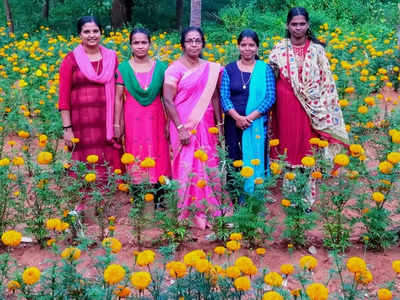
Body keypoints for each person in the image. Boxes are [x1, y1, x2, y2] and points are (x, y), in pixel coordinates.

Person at [269, 7, 349, 204]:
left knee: (307, 147)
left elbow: (327, 82)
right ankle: (291, 196)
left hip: (312, 109)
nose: (298, 28)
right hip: (285, 107)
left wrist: (323, 106)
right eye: (294, 24)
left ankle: (307, 198)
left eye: (302, 24)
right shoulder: (279, 49)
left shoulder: (317, 50)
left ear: (308, 25)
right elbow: (270, 78)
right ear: (287, 26)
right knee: (288, 147)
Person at [163, 26, 223, 229]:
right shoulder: (174, 69)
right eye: (190, 41)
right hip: (182, 124)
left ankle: (208, 210)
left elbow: (215, 98)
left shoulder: (211, 68)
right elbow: (168, 100)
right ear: (183, 44)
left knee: (207, 164)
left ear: (203, 43)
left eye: (198, 40)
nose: (194, 44)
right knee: (186, 166)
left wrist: (219, 125)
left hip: (206, 125)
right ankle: (186, 213)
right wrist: (180, 128)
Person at [58, 16, 122, 180]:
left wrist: (117, 122)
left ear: (101, 33)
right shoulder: (71, 59)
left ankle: (110, 195)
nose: (91, 35)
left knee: (108, 162)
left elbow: (118, 91)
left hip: (105, 121)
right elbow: (63, 97)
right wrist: (67, 129)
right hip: (81, 123)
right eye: (86, 31)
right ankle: (85, 198)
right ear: (80, 34)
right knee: (84, 165)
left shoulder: (111, 58)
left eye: (95, 31)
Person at [114, 28, 171, 206]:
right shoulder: (122, 68)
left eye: (143, 42)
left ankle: (159, 198)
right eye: (136, 43)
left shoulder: (161, 68)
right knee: (135, 150)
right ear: (130, 45)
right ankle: (138, 197)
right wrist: (117, 124)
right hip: (133, 118)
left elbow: (167, 98)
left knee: (158, 150)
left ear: (150, 44)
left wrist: (169, 122)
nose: (140, 46)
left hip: (156, 117)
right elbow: (118, 99)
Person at [220, 29, 276, 194]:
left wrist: (248, 119)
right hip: (233, 123)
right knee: (235, 157)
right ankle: (236, 197)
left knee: (256, 158)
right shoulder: (229, 69)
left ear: (257, 48)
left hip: (256, 123)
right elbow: (224, 96)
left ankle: (255, 197)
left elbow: (270, 97)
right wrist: (238, 118)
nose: (247, 48)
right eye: (243, 45)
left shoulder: (264, 69)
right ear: (238, 47)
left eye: (251, 45)